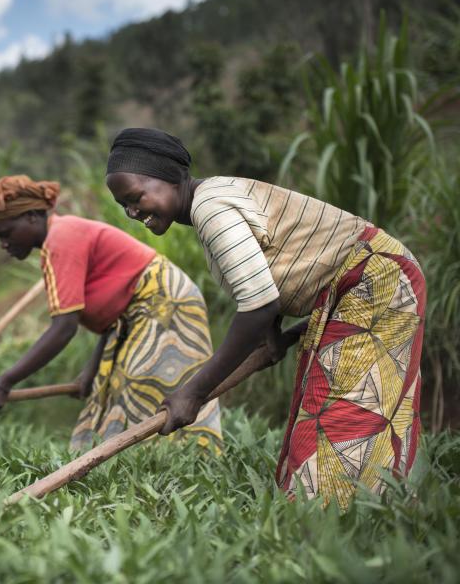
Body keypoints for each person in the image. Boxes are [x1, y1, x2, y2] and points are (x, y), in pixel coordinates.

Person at [105, 127, 425, 508]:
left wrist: (193, 392)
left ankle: (342, 516)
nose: (132, 211)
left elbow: (258, 306)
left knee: (343, 410)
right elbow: (269, 266)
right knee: (327, 407)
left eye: (135, 197)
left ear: (171, 176)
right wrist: (272, 337)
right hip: (355, 285)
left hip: (376, 280)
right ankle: (362, 508)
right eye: (123, 205)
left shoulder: (211, 208)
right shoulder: (212, 202)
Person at [0, 175, 222, 451]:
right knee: (107, 398)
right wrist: (92, 370)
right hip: (133, 315)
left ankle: (184, 466)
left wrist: (3, 382)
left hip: (164, 304)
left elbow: (63, 328)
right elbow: (111, 317)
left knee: (142, 393)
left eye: (6, 233)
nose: (3, 244)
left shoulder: (62, 238)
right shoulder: (58, 241)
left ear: (32, 216)